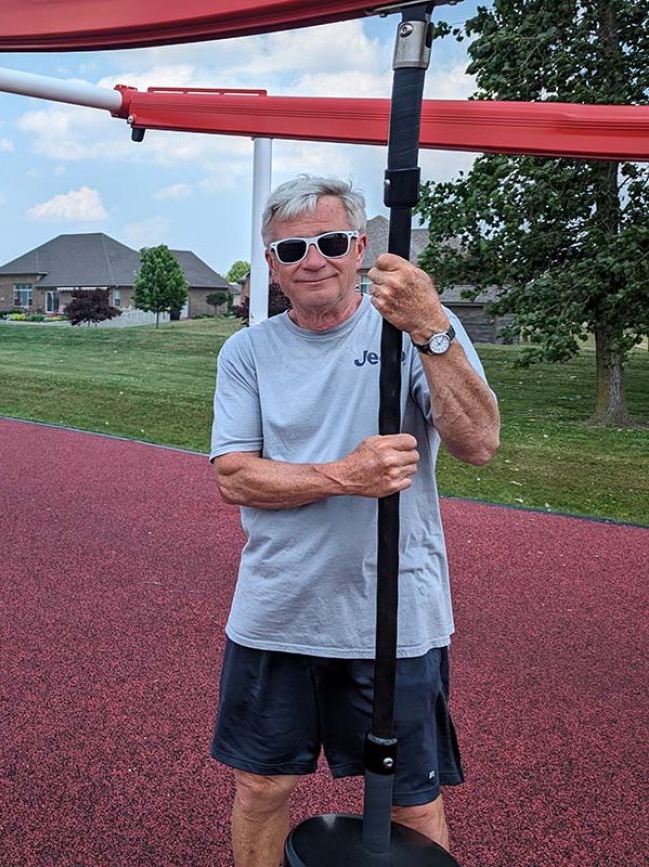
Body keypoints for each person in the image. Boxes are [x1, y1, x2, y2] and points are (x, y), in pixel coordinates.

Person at [209, 175, 500, 867]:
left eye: (332, 242)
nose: (314, 260)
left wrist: (432, 328)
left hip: (394, 615)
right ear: (271, 264)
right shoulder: (247, 353)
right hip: (278, 610)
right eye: (292, 248)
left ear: (361, 248)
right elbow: (235, 474)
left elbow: (479, 442)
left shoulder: (419, 334)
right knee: (260, 785)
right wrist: (347, 474)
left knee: (408, 796)